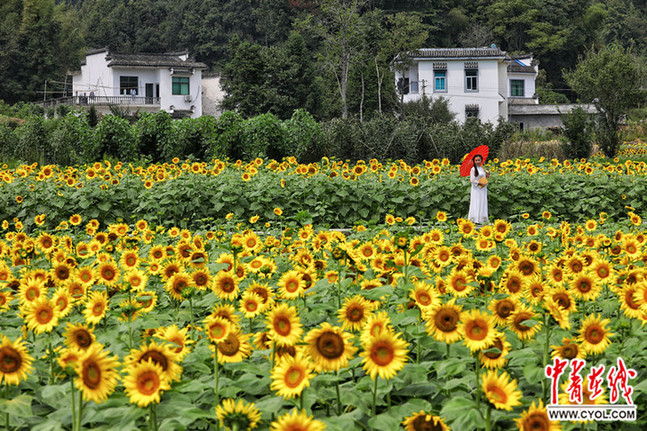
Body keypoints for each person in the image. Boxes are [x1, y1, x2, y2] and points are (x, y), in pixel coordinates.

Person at [468, 154, 489, 224]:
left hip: (483, 188)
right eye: (476, 160)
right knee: (477, 202)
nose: (478, 161)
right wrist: (479, 183)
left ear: (481, 161)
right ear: (474, 161)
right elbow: (472, 180)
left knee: (482, 201)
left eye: (479, 160)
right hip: (476, 189)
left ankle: (482, 218)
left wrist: (487, 174)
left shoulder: (482, 168)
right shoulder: (473, 169)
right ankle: (476, 218)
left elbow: (484, 178)